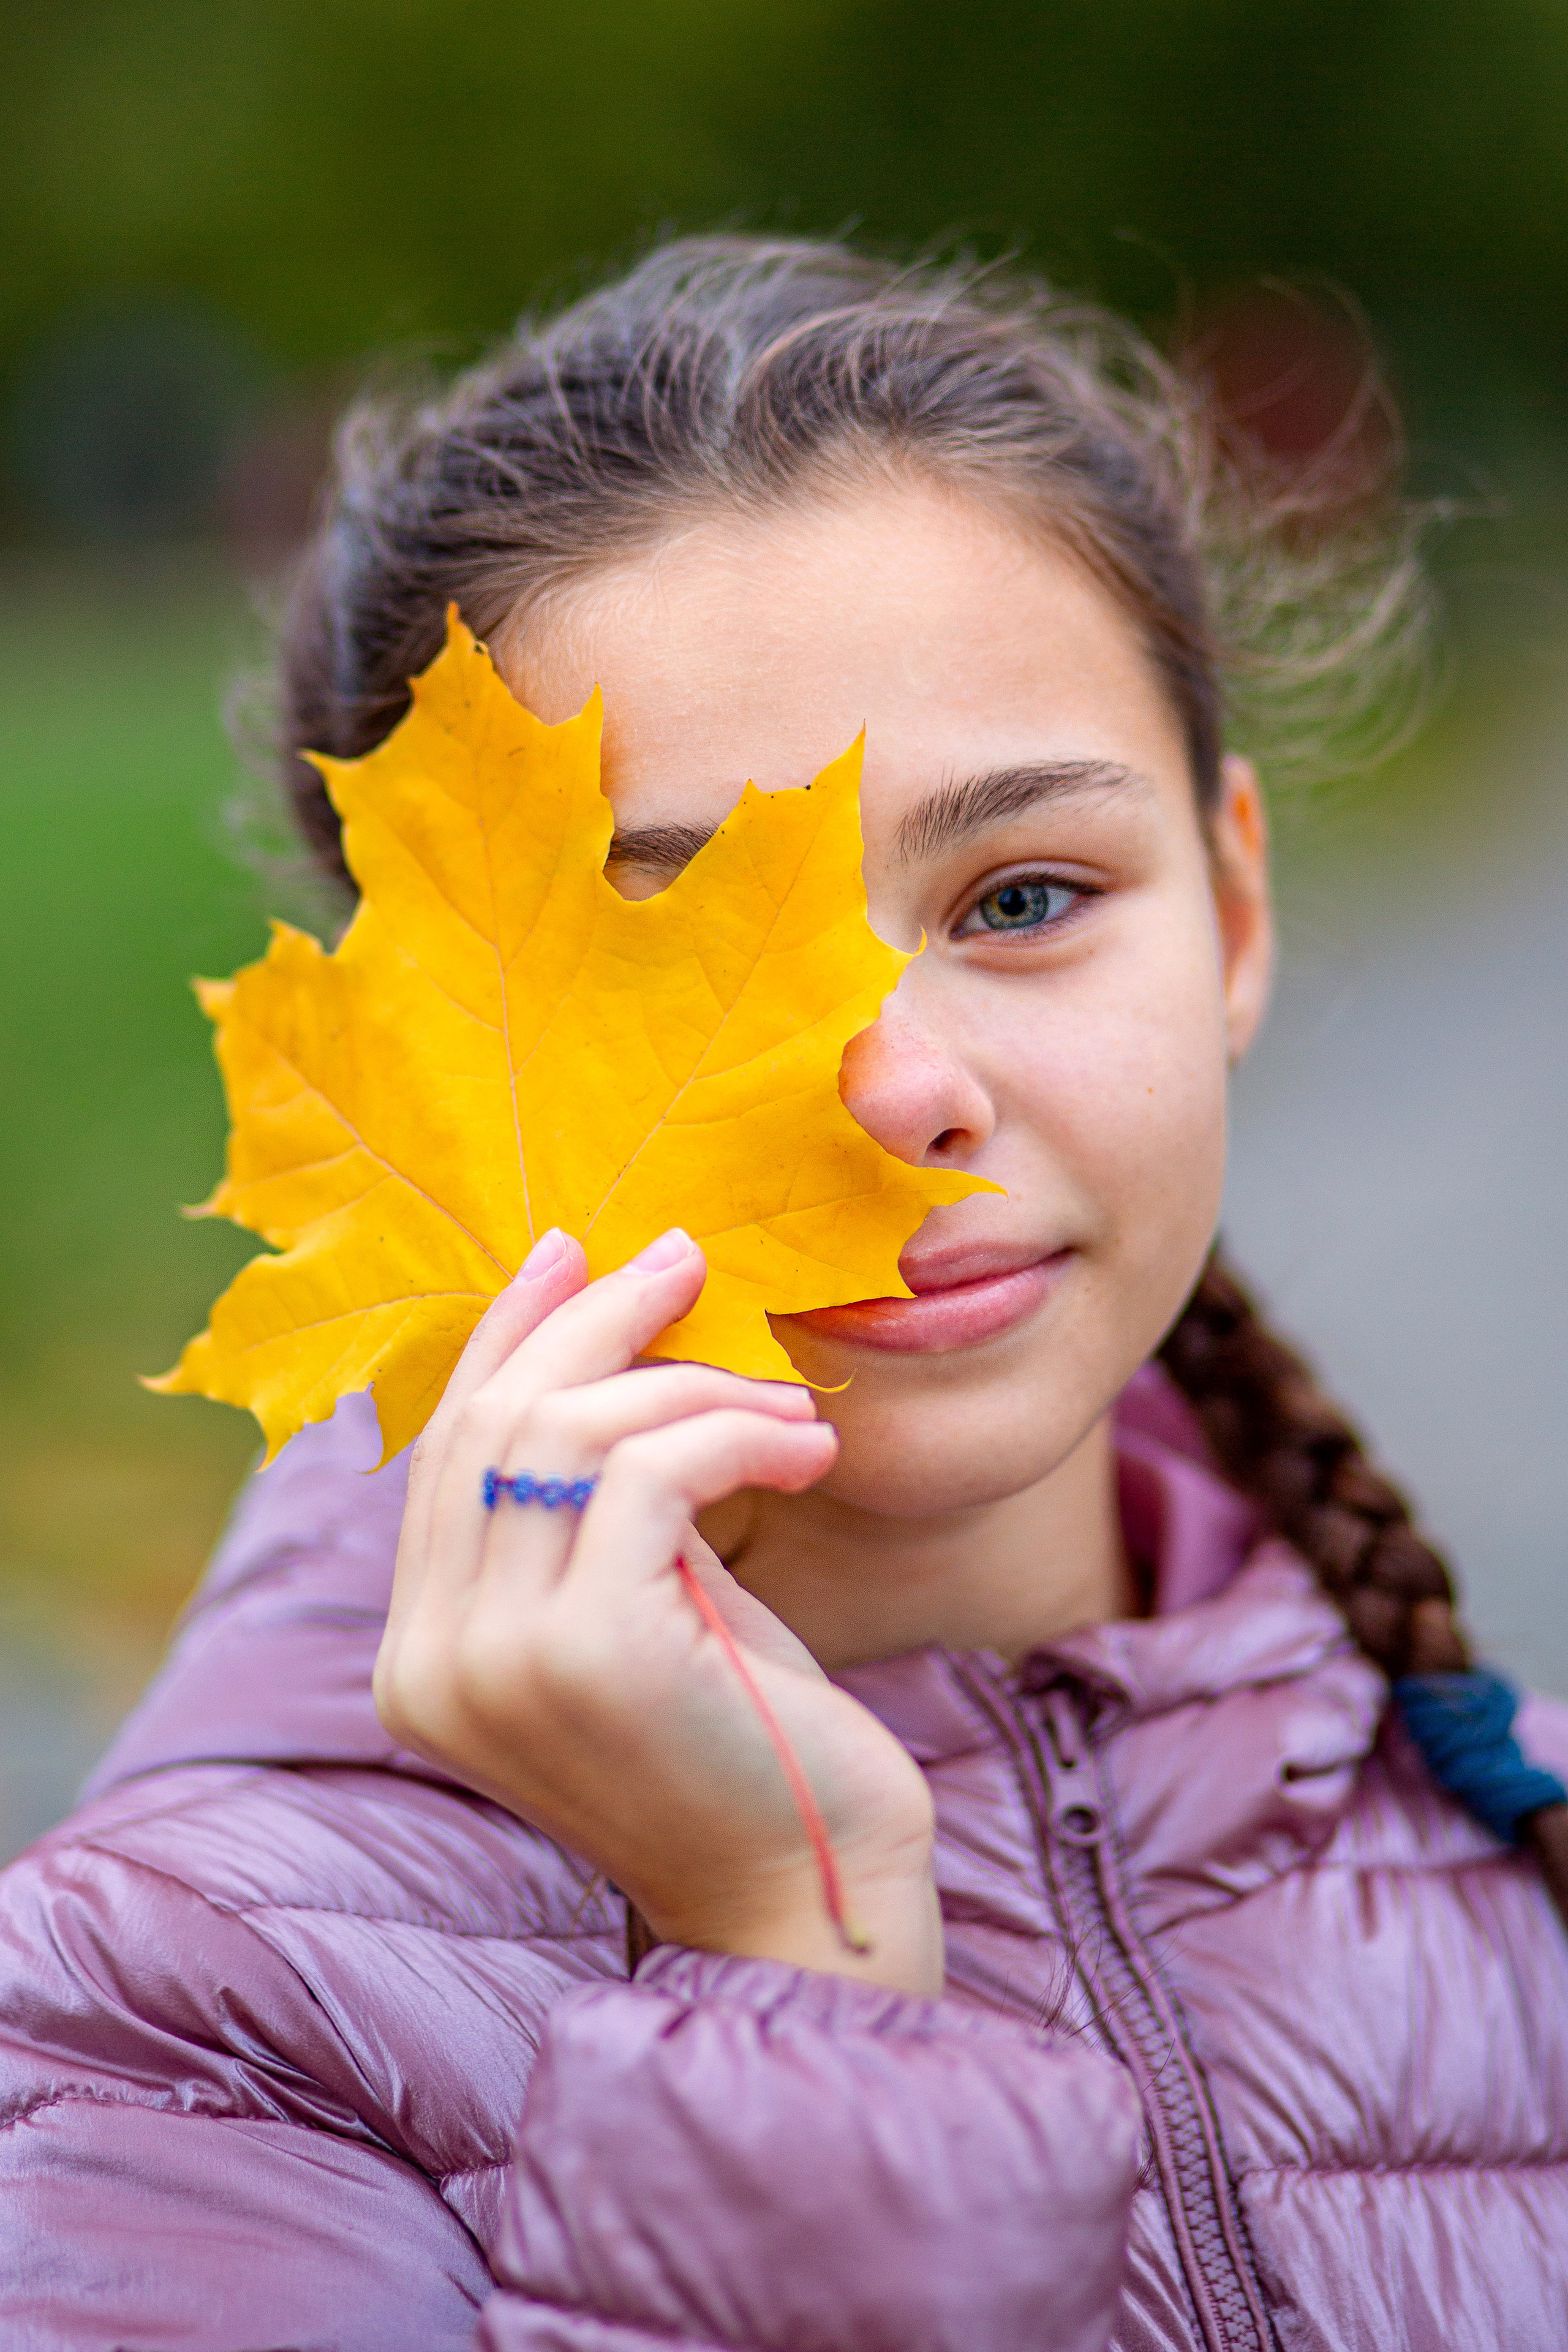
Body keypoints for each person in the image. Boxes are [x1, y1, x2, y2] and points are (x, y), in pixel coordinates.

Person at [3, 236, 1567, 2352]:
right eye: (688, 980)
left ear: (1236, 908)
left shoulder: (1510, 1863)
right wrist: (791, 1976)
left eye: (1023, 897)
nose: (903, 1088)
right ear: (422, 1081)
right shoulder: (175, 2016)